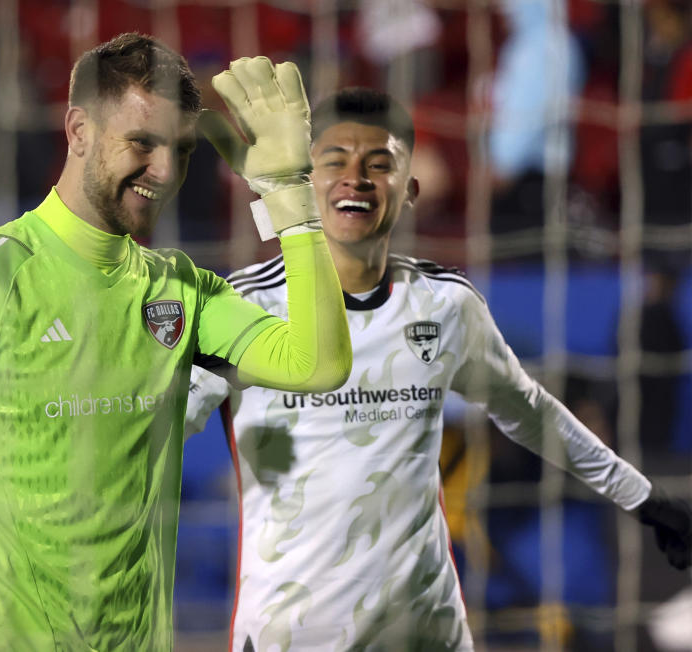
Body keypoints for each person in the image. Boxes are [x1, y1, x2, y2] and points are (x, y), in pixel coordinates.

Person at [0, 34, 353, 651]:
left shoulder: (179, 290)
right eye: (141, 143)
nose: (162, 170)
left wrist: (289, 195)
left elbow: (319, 364)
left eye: (180, 150)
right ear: (78, 131)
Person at [185, 87, 692, 651]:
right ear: (306, 185)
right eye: (334, 161)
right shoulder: (241, 308)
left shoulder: (445, 304)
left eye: (379, 165)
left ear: (410, 193)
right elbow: (151, 425)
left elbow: (529, 412)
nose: (357, 177)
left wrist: (643, 498)